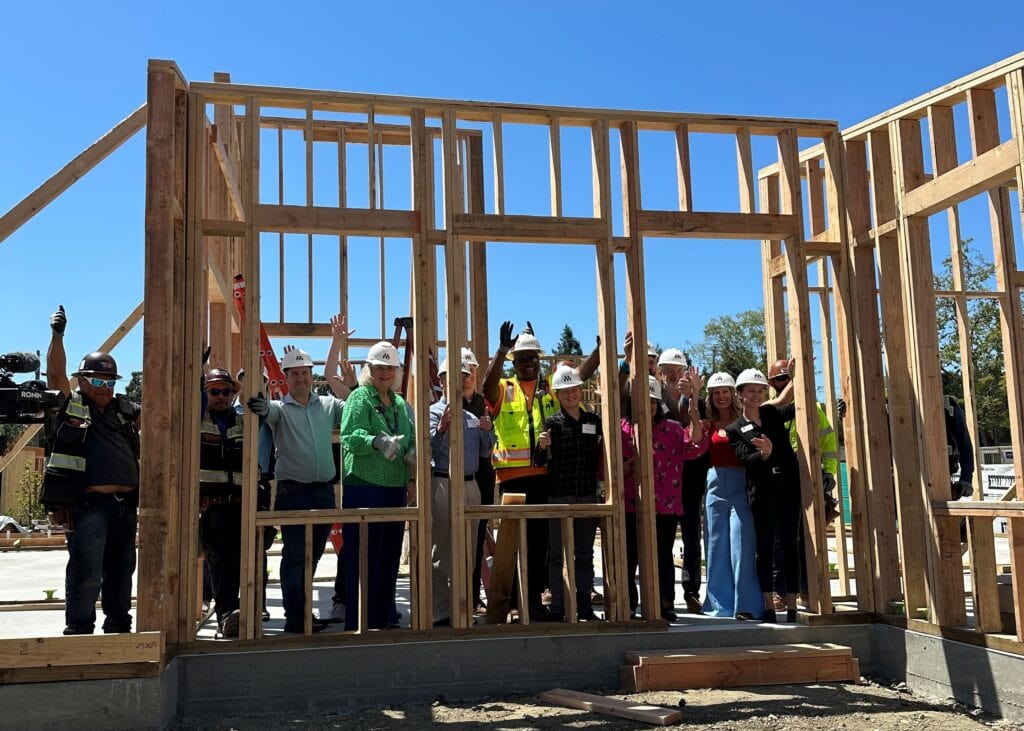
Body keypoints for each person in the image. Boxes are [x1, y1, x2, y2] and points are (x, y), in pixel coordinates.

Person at [481, 321, 599, 620]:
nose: (529, 363)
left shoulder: (549, 389)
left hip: (544, 479)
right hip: (513, 479)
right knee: (511, 547)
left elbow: (577, 377)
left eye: (533, 357)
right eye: (523, 358)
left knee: (539, 547)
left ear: (539, 360)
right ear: (515, 362)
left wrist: (599, 351)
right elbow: (487, 387)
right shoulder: (505, 389)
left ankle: (531, 604)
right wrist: (501, 350)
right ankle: (510, 605)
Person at [41, 305, 142, 635]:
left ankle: (118, 627)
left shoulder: (125, 411)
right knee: (87, 572)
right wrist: (57, 336)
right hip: (89, 508)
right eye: (96, 379)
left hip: (125, 508)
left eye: (109, 380)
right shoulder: (72, 406)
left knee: (122, 570)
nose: (103, 386)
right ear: (82, 380)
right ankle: (80, 630)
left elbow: (166, 411)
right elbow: (55, 376)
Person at [247, 347, 344, 634]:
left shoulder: (328, 406)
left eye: (304, 372)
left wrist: (337, 362)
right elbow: (262, 408)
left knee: (312, 556)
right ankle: (295, 618)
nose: (300, 378)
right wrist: (260, 395)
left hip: (324, 492)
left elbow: (353, 403)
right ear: (285, 379)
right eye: (294, 374)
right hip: (294, 493)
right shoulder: (279, 410)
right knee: (295, 556)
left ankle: (302, 613)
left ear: (311, 376)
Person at [339, 340, 416, 631]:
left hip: (393, 487)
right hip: (364, 485)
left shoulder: (397, 402)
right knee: (364, 555)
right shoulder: (360, 398)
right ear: (369, 369)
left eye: (389, 369)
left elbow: (408, 436)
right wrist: (374, 441)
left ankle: (384, 615)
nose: (385, 373)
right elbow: (348, 437)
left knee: (389, 554)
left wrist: (407, 454)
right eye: (379, 368)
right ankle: (360, 620)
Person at [621, 374, 707, 620]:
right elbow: (608, 469)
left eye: (652, 401)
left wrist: (694, 411)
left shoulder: (673, 429)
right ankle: (629, 605)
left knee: (662, 557)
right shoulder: (622, 428)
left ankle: (664, 605)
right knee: (630, 557)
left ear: (658, 404)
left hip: (665, 505)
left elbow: (696, 447)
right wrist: (626, 467)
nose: (647, 406)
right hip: (630, 504)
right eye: (642, 400)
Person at [726, 366, 797, 623]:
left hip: (788, 489)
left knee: (790, 545)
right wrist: (765, 453)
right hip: (763, 493)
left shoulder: (771, 413)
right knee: (764, 548)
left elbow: (788, 400)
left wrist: (798, 375)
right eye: (751, 391)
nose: (756, 395)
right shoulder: (735, 429)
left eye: (760, 390)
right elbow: (747, 460)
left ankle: (791, 605)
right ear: (740, 395)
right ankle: (768, 605)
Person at [766, 359, 838, 609]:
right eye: (780, 379)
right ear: (772, 383)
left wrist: (828, 474)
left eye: (788, 378)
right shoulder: (769, 410)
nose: (784, 383)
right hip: (780, 481)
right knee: (779, 539)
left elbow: (829, 445)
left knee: (808, 538)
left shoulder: (813, 408)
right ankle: (781, 591)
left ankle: (809, 590)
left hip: (809, 480)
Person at [429, 357, 494, 626]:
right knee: (442, 549)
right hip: (443, 482)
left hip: (470, 484)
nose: (458, 381)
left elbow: (485, 452)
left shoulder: (471, 417)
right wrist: (442, 427)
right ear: (441, 381)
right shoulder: (432, 412)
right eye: (451, 376)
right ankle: (441, 610)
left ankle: (462, 605)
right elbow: (427, 451)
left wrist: (488, 433)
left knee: (468, 549)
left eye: (463, 375)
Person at [538, 364, 603, 622]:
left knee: (585, 554)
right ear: (557, 394)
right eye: (565, 391)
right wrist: (542, 447)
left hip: (586, 494)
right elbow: (541, 460)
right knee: (557, 554)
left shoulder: (593, 421)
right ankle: (558, 607)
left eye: (574, 389)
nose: (571, 394)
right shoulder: (551, 422)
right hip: (560, 495)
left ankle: (585, 605)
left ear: (580, 390)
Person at [700, 372, 763, 620]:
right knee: (715, 545)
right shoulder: (708, 424)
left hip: (740, 484)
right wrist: (693, 396)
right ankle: (718, 605)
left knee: (742, 544)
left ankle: (746, 605)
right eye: (716, 393)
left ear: (733, 394)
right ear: (712, 397)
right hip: (715, 484)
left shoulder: (744, 420)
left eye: (725, 391)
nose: (721, 396)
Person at [657, 348, 710, 614]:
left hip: (690, 478)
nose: (673, 375)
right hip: (664, 481)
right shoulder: (654, 397)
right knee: (663, 541)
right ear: (660, 372)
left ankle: (691, 592)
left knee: (691, 537)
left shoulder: (695, 400)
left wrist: (694, 397)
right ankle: (663, 596)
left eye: (678, 371)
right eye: (668, 371)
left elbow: (698, 430)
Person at [196, 366, 247, 638]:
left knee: (241, 561)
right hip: (212, 506)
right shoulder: (198, 420)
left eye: (225, 391)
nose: (220, 396)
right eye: (214, 390)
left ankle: (239, 613)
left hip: (240, 503)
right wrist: (196, 377)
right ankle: (226, 615)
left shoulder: (242, 421)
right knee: (219, 561)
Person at [461, 347, 496, 614]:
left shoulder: (484, 402)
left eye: (470, 371)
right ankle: (456, 598)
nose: (467, 377)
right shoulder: (447, 403)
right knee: (454, 540)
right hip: (454, 477)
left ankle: (473, 597)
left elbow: (491, 443)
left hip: (482, 476)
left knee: (476, 542)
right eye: (462, 373)